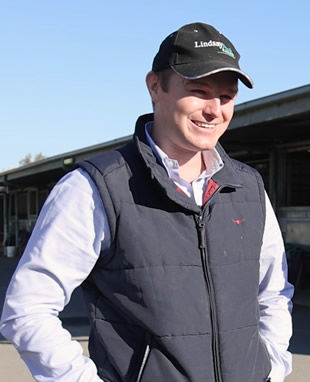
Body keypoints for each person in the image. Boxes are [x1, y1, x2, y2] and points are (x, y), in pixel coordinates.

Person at [0, 22, 294, 382]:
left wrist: (272, 368)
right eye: (199, 91)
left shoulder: (248, 188)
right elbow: (27, 309)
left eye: (227, 97)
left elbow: (274, 294)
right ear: (155, 87)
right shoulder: (95, 188)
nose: (214, 110)